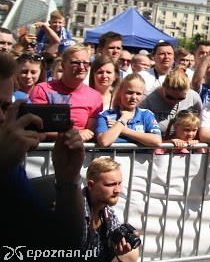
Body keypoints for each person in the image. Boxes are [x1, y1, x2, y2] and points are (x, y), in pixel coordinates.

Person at [0, 53, 85, 249]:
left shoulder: (11, 169)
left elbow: (63, 244)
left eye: (5, 106)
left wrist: (68, 180)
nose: (2, 118)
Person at [29, 44, 102, 142]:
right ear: (63, 65)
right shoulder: (42, 89)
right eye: (76, 62)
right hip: (46, 152)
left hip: (79, 151)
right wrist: (72, 133)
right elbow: (37, 127)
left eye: (85, 63)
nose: (81, 67)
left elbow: (89, 131)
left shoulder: (95, 96)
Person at [82, 157, 140, 262]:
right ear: (91, 185)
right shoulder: (75, 210)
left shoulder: (106, 210)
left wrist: (119, 244)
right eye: (110, 185)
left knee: (130, 253)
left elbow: (115, 235)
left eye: (119, 183)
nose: (117, 190)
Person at [96, 74, 162, 148]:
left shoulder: (146, 115)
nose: (134, 97)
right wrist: (123, 119)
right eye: (129, 92)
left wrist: (125, 131)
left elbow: (157, 140)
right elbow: (104, 142)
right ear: (120, 92)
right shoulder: (106, 115)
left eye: (138, 94)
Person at [138, 68, 202, 137]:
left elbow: (199, 126)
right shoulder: (147, 99)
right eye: (169, 97)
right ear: (163, 86)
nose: (174, 102)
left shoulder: (193, 97)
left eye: (180, 98)